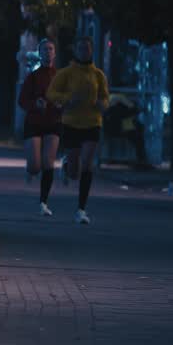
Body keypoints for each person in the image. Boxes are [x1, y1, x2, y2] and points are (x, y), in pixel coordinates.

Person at [47, 36, 110, 224]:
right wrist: (67, 99)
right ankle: (67, 164)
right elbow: (51, 93)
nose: (84, 51)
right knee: (75, 172)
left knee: (88, 164)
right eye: (81, 48)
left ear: (91, 51)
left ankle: (81, 209)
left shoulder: (98, 74)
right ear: (76, 51)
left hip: (92, 123)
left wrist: (102, 104)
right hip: (71, 123)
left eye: (87, 48)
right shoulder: (67, 73)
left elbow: (106, 97)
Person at [18, 39, 63, 215]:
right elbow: (21, 101)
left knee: (48, 163)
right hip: (34, 122)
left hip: (53, 122)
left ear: (55, 53)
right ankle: (30, 168)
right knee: (35, 166)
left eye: (51, 49)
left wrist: (62, 104)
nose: (48, 52)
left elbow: (66, 98)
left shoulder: (60, 77)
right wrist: (35, 104)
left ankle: (43, 203)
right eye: (44, 49)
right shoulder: (33, 77)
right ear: (40, 53)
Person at [103, 93, 153, 170]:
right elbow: (132, 110)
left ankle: (142, 161)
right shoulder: (119, 99)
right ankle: (142, 161)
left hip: (114, 127)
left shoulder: (111, 99)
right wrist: (139, 109)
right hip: (119, 127)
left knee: (137, 133)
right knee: (138, 137)